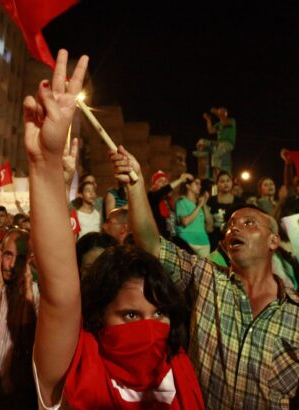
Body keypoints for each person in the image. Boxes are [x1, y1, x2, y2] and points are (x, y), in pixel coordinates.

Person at [25, 49, 204, 409]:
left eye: (160, 314)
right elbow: (61, 293)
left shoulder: (179, 367)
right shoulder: (75, 368)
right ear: (97, 317)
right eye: (131, 316)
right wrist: (45, 164)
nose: (150, 328)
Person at [111, 145, 299, 409]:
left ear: (274, 240)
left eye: (249, 223)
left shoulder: (298, 315)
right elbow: (152, 246)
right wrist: (136, 184)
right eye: (230, 226)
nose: (234, 230)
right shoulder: (207, 279)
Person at [0, 228, 39, 409]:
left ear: (29, 260)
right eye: (8, 255)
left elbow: (27, 343)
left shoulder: (36, 295)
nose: (11, 265)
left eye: (20, 258)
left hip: (19, 395)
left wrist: (27, 291)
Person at [147, 169, 193, 240]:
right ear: (154, 185)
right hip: (159, 239)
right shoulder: (151, 196)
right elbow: (164, 190)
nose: (164, 183)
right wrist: (180, 180)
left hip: (172, 237)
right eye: (160, 181)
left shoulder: (168, 201)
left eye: (165, 181)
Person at [175, 178, 213, 258]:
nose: (200, 186)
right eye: (196, 183)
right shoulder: (182, 202)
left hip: (204, 243)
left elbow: (210, 227)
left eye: (200, 184)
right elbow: (185, 222)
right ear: (188, 186)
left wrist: (204, 204)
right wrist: (199, 206)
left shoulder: (199, 204)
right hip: (188, 243)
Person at [207, 171, 245, 250]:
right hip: (215, 238)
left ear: (232, 183)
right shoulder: (211, 200)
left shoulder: (239, 201)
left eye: (228, 181)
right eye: (222, 181)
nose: (226, 184)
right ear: (217, 184)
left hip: (233, 237)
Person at [203, 107, 236, 177]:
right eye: (219, 112)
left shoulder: (231, 120)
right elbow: (211, 131)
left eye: (222, 112)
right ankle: (219, 171)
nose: (220, 114)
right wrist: (208, 120)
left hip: (228, 142)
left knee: (215, 156)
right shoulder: (218, 124)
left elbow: (225, 121)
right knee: (214, 154)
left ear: (226, 113)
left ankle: (220, 173)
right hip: (220, 143)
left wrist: (216, 113)